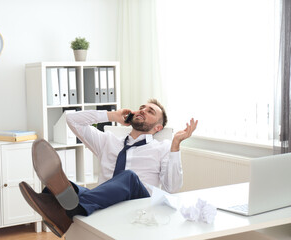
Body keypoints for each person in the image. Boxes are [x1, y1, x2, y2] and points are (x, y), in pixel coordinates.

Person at [19, 99, 197, 238]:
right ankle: (53, 203)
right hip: (104, 202)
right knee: (66, 188)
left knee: (129, 177)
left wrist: (175, 145)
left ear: (158, 127)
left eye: (150, 111)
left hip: (139, 204)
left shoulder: (162, 147)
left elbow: (172, 187)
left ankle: (71, 209)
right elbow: (71, 119)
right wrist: (112, 116)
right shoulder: (108, 141)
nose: (142, 110)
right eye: (141, 107)